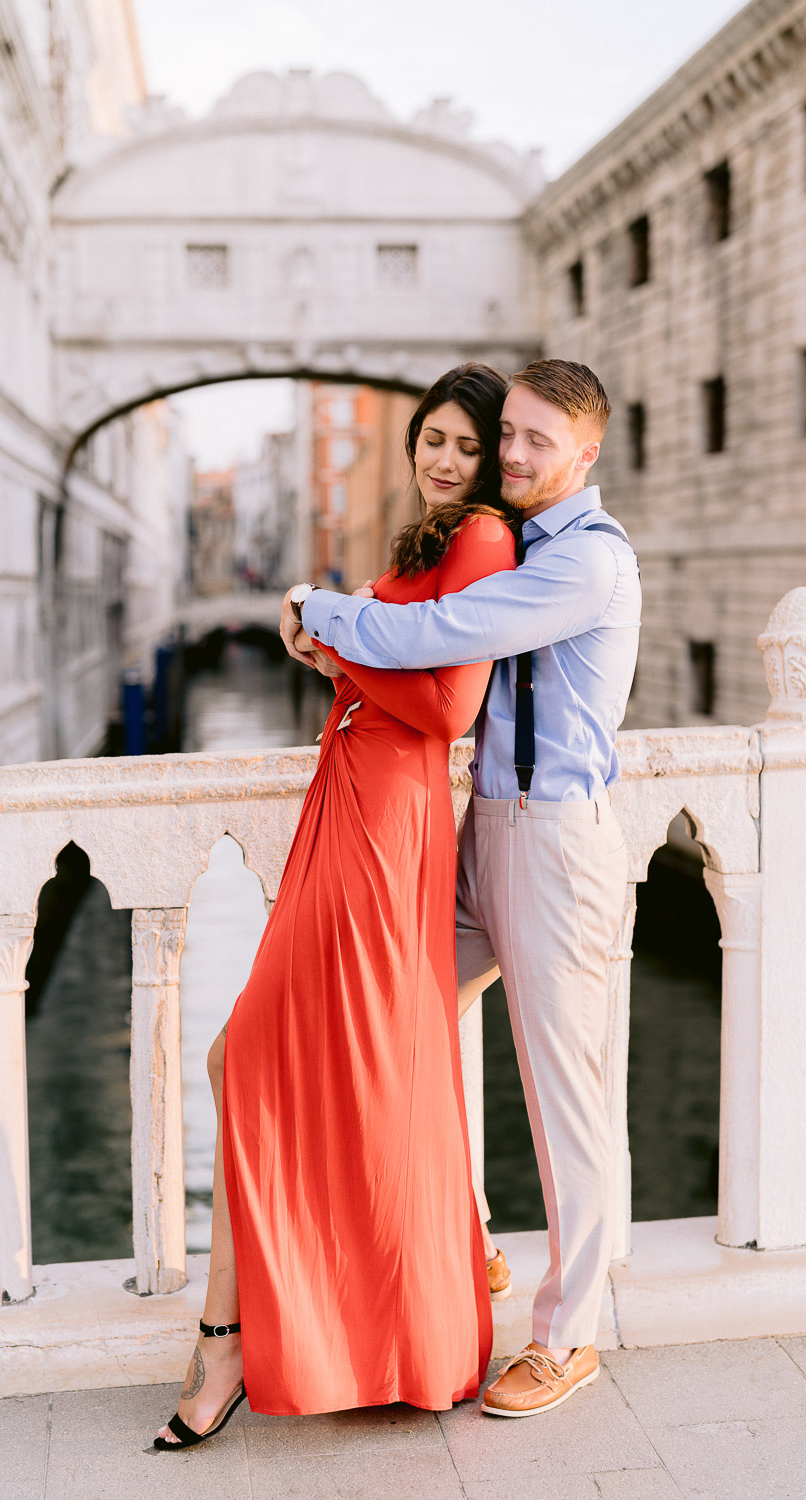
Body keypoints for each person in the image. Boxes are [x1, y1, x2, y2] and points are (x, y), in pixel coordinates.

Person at [155, 363, 517, 1448]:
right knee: (308, 1066)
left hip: (385, 818)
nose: (442, 460)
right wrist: (340, 649)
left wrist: (334, 636)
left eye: (464, 445)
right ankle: (330, 1335)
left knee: (254, 1058)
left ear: (495, 456)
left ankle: (229, 1335)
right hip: (344, 803)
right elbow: (390, 676)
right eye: (432, 440)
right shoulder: (423, 545)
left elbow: (448, 703)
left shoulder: (485, 541)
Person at [283, 359, 642, 1418]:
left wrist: (318, 606)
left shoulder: (585, 563)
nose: (517, 455)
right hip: (478, 835)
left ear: (585, 453)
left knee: (566, 1102)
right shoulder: (507, 541)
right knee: (388, 1024)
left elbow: (441, 639)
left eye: (541, 441)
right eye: (510, 436)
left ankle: (567, 1339)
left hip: (554, 847)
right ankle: (467, 1236)